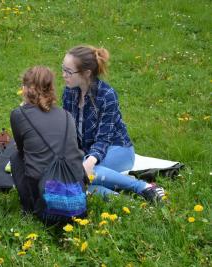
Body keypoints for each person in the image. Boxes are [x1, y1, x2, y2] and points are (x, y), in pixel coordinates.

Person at [61, 45, 165, 202]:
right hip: (88, 153)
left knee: (82, 172)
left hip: (117, 149)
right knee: (75, 179)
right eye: (63, 69)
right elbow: (68, 131)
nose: (63, 75)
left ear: (86, 73)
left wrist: (89, 161)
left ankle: (143, 187)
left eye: (68, 71)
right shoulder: (69, 92)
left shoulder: (107, 95)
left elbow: (104, 139)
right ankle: (127, 202)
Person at [10, 66, 86, 218]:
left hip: (44, 190)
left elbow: (21, 149)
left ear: (25, 89)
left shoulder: (19, 114)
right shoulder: (66, 115)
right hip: (74, 185)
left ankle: (30, 207)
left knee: (16, 158)